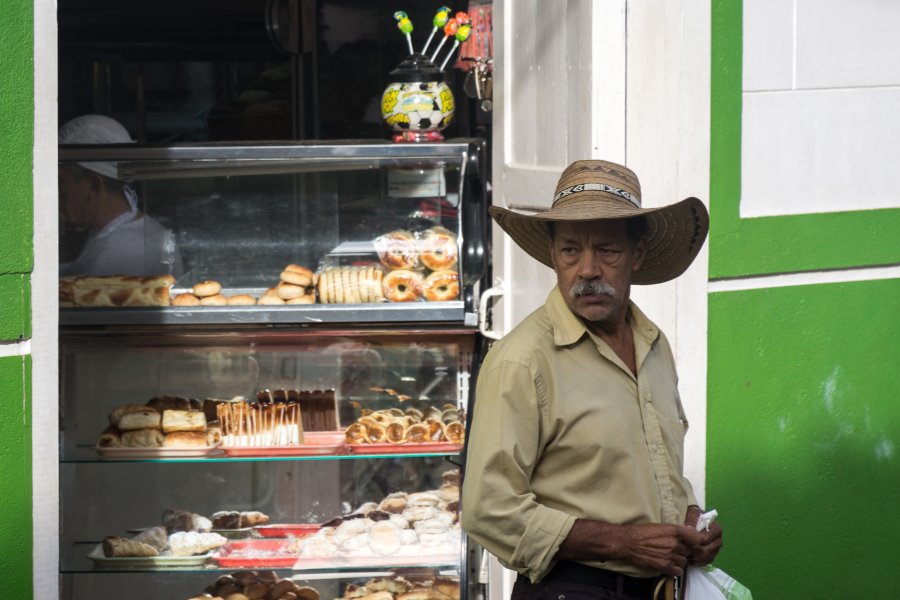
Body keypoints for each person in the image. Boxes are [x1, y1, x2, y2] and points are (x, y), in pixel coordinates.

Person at [461, 160, 723, 600]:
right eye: (570, 251)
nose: (587, 270)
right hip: (572, 589)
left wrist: (689, 519)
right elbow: (488, 509)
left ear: (636, 256)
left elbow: (650, 468)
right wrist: (624, 543)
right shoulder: (522, 361)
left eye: (607, 250)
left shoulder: (653, 346)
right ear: (553, 256)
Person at [59, 114, 184, 278]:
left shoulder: (115, 256)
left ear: (93, 185)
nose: (58, 193)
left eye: (61, 182)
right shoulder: (140, 229)